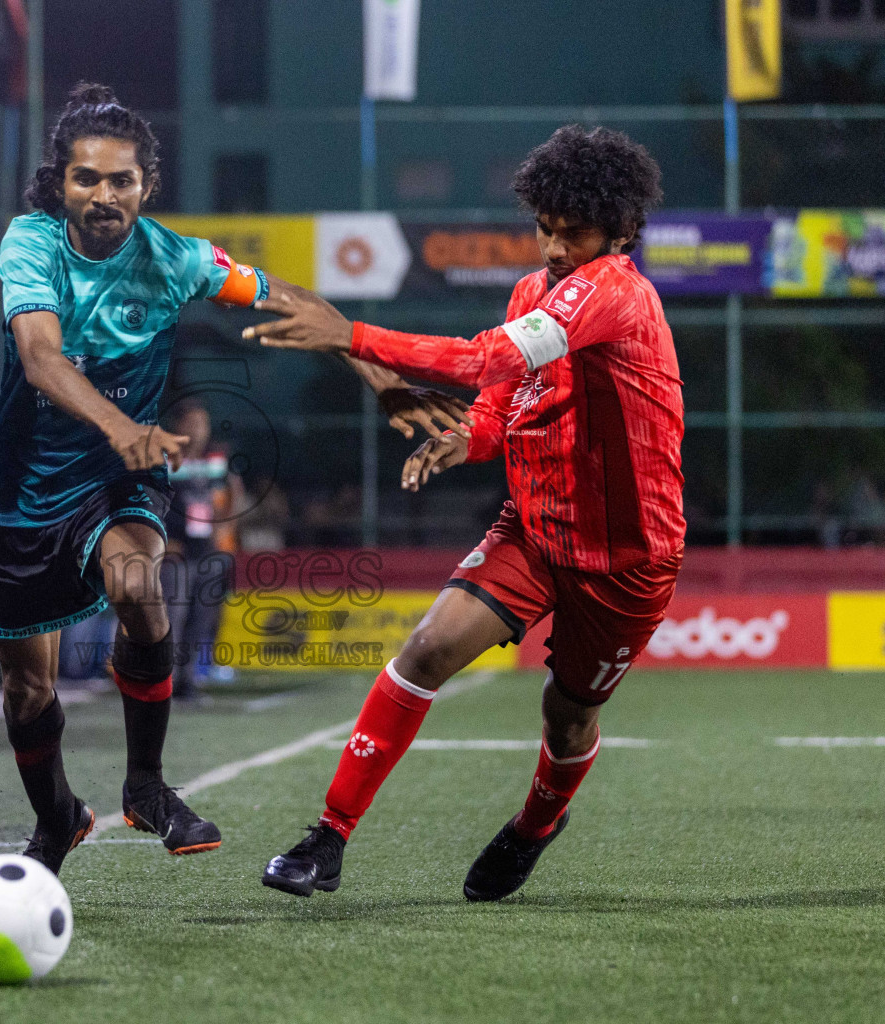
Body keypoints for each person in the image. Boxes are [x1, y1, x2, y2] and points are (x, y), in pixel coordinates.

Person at [0, 82, 471, 875]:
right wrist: (124, 426)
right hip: (27, 485)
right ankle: (58, 815)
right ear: (59, 181)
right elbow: (40, 358)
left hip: (119, 477)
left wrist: (379, 375)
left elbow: (296, 301)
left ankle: (146, 786)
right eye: (86, 179)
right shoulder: (30, 243)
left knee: (139, 584)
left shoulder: (176, 259)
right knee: (26, 691)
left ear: (147, 184)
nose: (103, 196)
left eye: (121, 181)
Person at [249, 125, 684, 902]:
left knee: (568, 716)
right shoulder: (534, 292)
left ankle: (536, 824)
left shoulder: (618, 293)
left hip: (627, 557)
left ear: (620, 230)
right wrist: (466, 439)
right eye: (544, 228)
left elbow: (486, 359)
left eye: (572, 232)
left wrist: (350, 336)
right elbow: (502, 402)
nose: (552, 247)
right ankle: (328, 838)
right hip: (536, 527)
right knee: (426, 649)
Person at [162, 401, 239, 699]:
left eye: (204, 424)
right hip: (175, 552)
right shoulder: (165, 460)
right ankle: (164, 683)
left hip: (207, 552)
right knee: (173, 618)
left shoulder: (215, 461)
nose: (199, 430)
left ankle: (187, 682)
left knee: (201, 618)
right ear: (178, 425)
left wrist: (224, 528)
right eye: (193, 423)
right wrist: (162, 538)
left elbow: (229, 495)